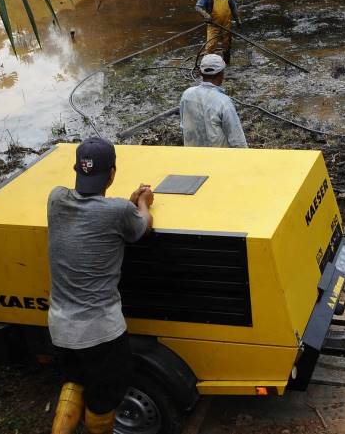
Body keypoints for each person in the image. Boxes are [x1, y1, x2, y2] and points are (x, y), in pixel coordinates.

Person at [47, 137, 155, 434]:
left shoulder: (55, 199)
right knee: (104, 398)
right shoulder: (119, 212)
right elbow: (143, 226)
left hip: (60, 327)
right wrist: (142, 203)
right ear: (112, 174)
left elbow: (92, 211)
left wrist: (126, 205)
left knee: (75, 381)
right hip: (101, 332)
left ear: (76, 169)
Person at [180, 54, 248, 148]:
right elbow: (237, 140)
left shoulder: (187, 94)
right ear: (222, 74)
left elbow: (183, 126)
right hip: (217, 159)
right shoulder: (224, 102)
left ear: (200, 73)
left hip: (192, 155)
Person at [195, 0, 240, 64]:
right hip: (213, 24)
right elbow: (198, 7)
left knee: (227, 45)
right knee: (211, 45)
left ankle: (226, 63)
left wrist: (238, 20)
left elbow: (233, 8)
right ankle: (207, 65)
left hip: (227, 24)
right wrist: (205, 15)